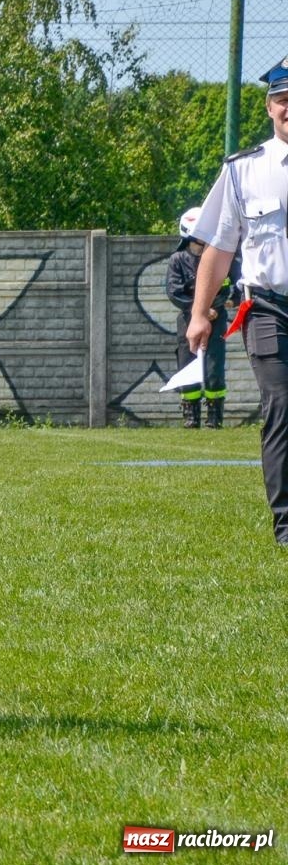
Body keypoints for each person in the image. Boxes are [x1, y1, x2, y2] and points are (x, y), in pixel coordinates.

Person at [186, 56, 288, 544]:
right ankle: (287, 524)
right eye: (283, 101)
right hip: (269, 308)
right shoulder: (244, 171)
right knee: (282, 404)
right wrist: (199, 312)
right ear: (270, 107)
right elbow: (219, 249)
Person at [165, 206, 241, 427]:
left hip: (217, 319)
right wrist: (198, 310)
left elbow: (230, 287)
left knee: (214, 366)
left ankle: (215, 418)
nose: (203, 246)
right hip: (188, 321)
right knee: (187, 363)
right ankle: (191, 416)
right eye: (199, 241)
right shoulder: (178, 259)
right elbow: (174, 292)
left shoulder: (220, 259)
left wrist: (217, 306)